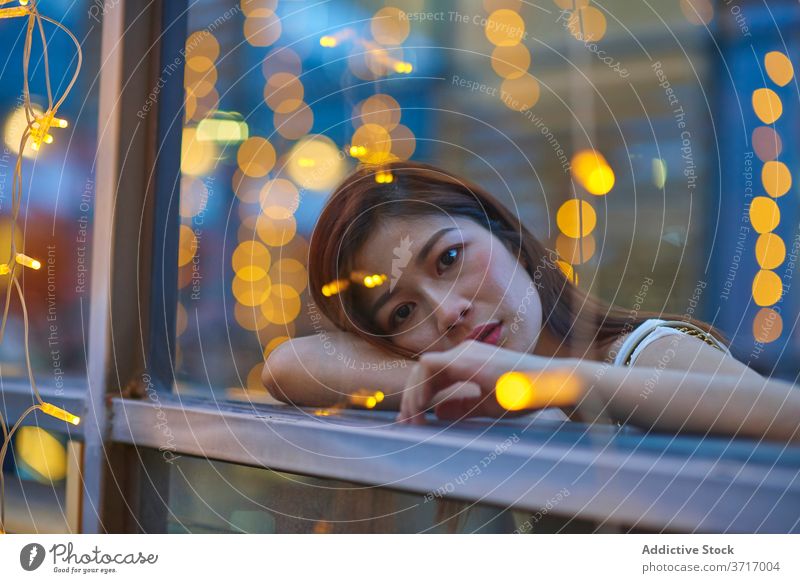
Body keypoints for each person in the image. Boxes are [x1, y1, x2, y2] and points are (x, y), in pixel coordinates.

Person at [263, 161, 800, 443]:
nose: (447, 312)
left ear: (509, 239)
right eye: (402, 313)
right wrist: (471, 386)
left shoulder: (644, 354)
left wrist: (542, 384)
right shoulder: (462, 394)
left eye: (448, 259)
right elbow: (288, 366)